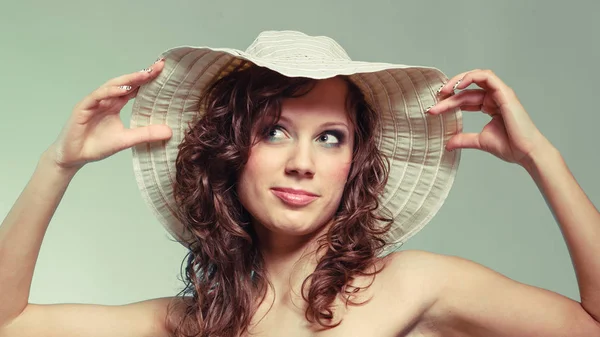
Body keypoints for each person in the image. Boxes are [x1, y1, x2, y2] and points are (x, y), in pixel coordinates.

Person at [0, 30, 599, 337]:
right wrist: (59, 163)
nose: (303, 163)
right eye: (274, 131)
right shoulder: (191, 324)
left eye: (331, 137)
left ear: (355, 164)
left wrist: (540, 157)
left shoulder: (417, 286)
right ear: (231, 153)